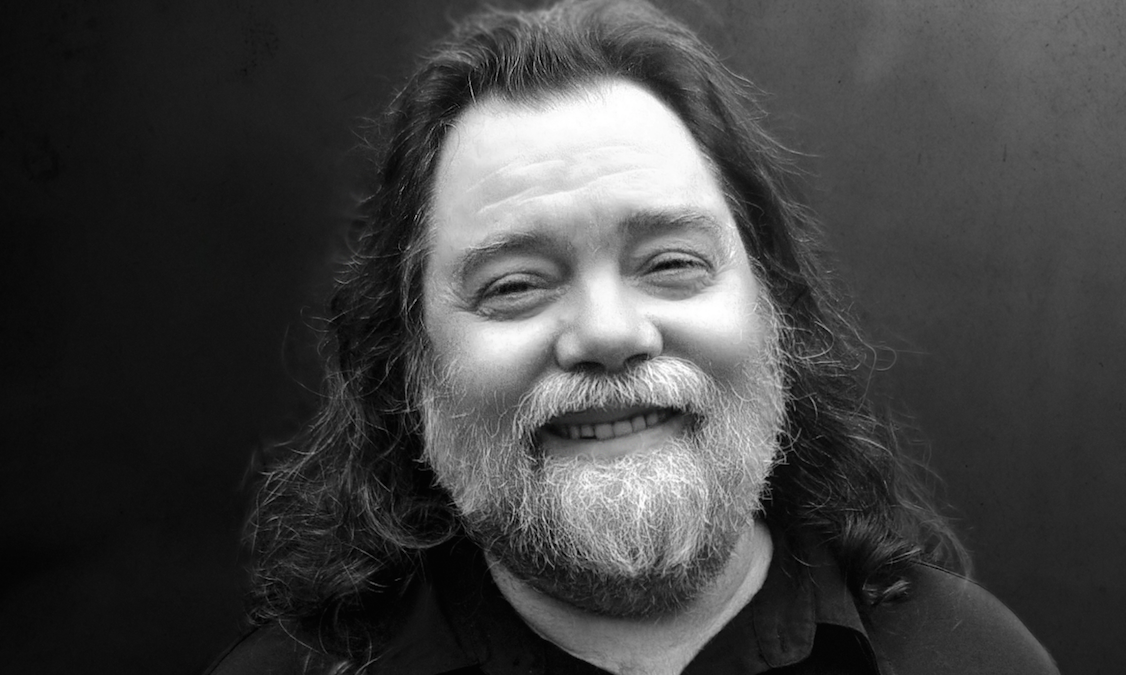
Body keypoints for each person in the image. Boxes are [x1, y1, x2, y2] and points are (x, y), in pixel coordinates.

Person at [207, 1, 1059, 673]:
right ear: (408, 369)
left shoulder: (975, 659)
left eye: (672, 263)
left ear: (775, 313)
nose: (609, 332)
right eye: (514, 285)